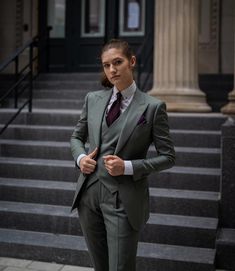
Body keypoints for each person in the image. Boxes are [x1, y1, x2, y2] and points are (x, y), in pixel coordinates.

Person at [70, 39, 175, 271]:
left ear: (132, 62)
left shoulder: (153, 107)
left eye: (118, 62)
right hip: (88, 195)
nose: (112, 70)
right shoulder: (93, 99)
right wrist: (81, 159)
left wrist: (127, 166)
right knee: (100, 266)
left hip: (124, 199)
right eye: (107, 65)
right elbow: (76, 137)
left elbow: (168, 156)